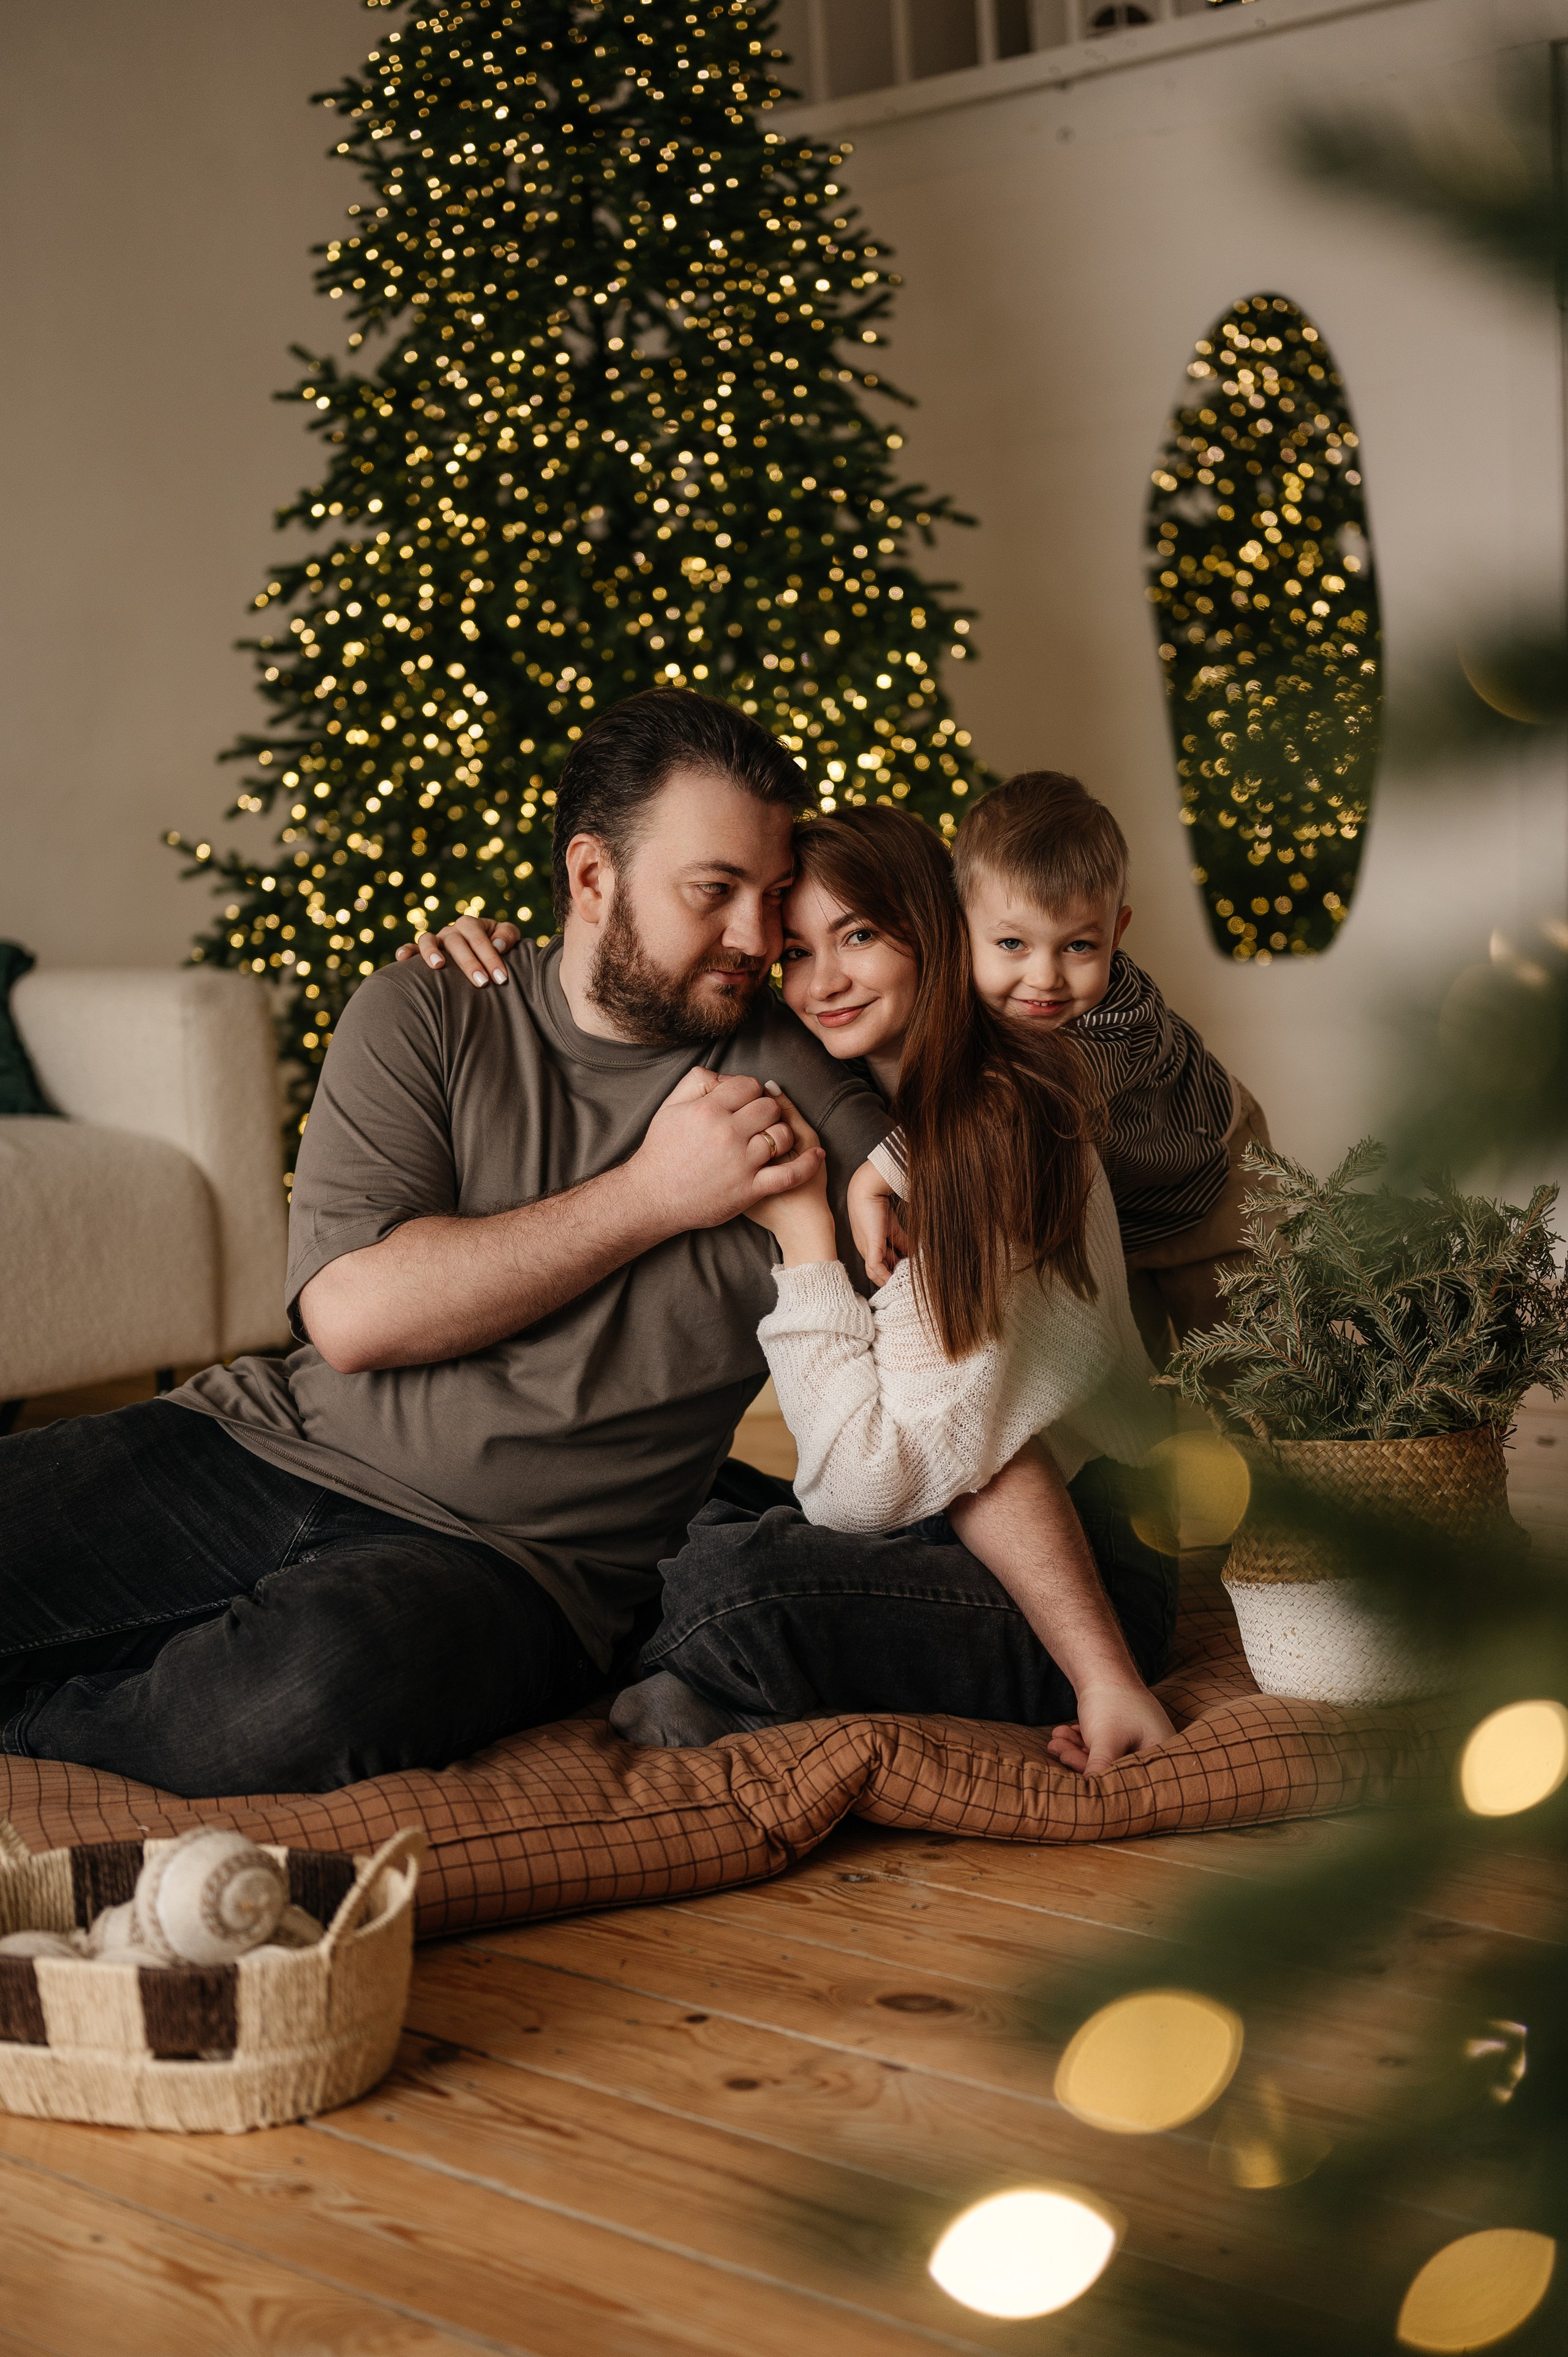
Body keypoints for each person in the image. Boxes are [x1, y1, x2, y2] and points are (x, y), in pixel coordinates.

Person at [0, 690, 893, 1797]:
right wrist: (654, 1192)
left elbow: (949, 1172)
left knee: (289, 1701)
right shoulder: (428, 1005)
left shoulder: (801, 1068)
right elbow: (355, 1316)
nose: (758, 940)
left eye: (772, 898)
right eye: (714, 892)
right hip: (261, 1445)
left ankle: (43, 1733)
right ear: (590, 877)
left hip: (513, 1567)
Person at [420, 809, 1180, 1775]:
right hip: (949, 1507)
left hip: (1083, 1583)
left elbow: (894, 1480)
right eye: (796, 953)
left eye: (858, 935)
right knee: (670, 1508)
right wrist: (506, 958)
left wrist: (804, 1242)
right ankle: (714, 1669)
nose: (822, 983)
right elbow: (645, 985)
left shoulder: (982, 1135)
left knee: (727, 1579)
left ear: (934, 930)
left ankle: (729, 1681)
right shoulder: (878, 1100)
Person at [850, 772, 1271, 1357]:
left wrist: (885, 1173)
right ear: (961, 926)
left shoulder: (1122, 1019)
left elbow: (1018, 1101)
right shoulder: (963, 1000)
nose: (1045, 978)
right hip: (1116, 1222)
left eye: (1078, 946)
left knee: (1255, 1365)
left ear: (1117, 933)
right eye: (1012, 945)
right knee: (1131, 1384)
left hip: (1212, 1181)